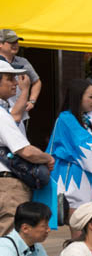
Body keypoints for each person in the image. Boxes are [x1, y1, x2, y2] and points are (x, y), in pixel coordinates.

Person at [43, 79, 92, 223]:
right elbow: (88, 148)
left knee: (91, 225)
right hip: (73, 177)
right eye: (90, 97)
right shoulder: (66, 118)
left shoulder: (88, 119)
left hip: (89, 175)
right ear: (78, 97)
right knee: (81, 225)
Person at [0, 59, 53, 236]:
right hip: (8, 185)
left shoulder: (5, 111)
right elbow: (25, 151)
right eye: (9, 78)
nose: (15, 82)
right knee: (9, 241)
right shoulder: (1, 114)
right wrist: (48, 158)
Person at [0, 30, 41, 125]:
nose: (15, 45)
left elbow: (37, 82)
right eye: (11, 42)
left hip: (21, 114)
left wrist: (32, 101)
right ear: (0, 44)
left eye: (17, 42)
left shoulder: (23, 62)